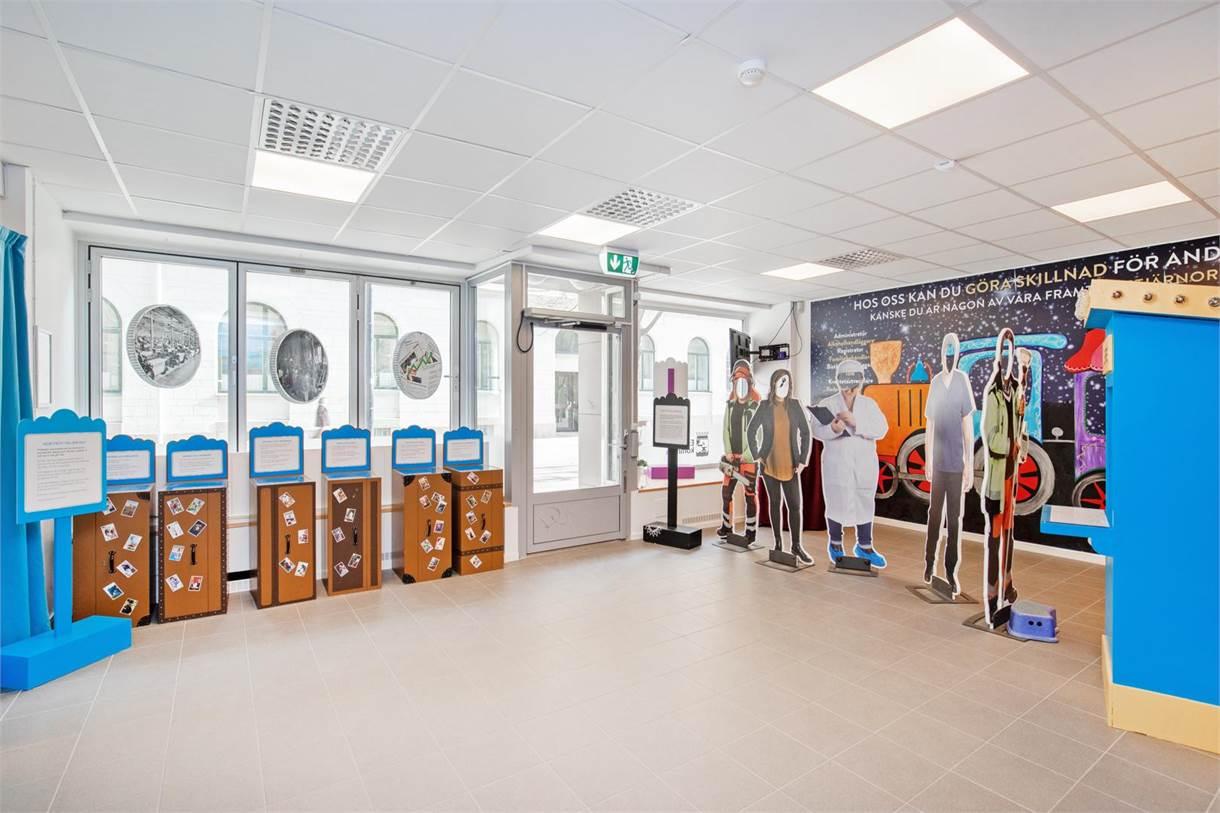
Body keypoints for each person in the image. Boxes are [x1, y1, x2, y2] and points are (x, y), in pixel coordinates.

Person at [812, 359, 890, 568]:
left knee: (864, 502)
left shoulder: (869, 404)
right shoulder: (828, 403)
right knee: (835, 502)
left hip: (864, 465)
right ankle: (835, 544)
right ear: (838, 381)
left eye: (853, 384)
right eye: (845, 383)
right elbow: (816, 429)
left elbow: (882, 429)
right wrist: (833, 429)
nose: (849, 390)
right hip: (836, 464)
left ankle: (865, 546)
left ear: (860, 381)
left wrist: (856, 422)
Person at [979, 331, 1029, 627]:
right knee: (996, 534)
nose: (1010, 363)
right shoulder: (994, 395)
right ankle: (991, 592)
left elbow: (1020, 427)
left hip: (1012, 475)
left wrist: (1021, 444)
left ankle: (1007, 583)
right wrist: (1011, 445)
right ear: (1000, 360)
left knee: (1009, 532)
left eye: (1013, 356)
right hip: (998, 479)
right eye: (1006, 356)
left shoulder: (1016, 393)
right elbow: (990, 436)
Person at [923, 333, 976, 596]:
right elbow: (930, 424)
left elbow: (968, 427)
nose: (948, 356)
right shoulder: (935, 383)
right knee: (935, 516)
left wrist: (969, 464)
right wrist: (927, 459)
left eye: (952, 351)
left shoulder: (961, 381)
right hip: (938, 463)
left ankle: (950, 571)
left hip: (956, 464)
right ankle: (928, 563)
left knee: (954, 520)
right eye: (946, 350)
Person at [747, 369, 812, 562]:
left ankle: (796, 546)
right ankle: (777, 543)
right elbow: (751, 430)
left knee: (795, 506)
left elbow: (806, 433)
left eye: (787, 382)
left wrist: (803, 460)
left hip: (791, 465)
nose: (784, 385)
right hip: (769, 464)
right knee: (775, 504)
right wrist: (757, 455)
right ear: (774, 383)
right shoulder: (764, 406)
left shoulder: (795, 405)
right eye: (780, 381)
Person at [717, 360, 761, 543]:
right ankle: (726, 526)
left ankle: (751, 531)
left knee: (750, 494)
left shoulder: (756, 405)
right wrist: (728, 452)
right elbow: (725, 429)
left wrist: (747, 455)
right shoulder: (730, 404)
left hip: (748, 460)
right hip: (731, 458)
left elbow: (759, 433)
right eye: (737, 380)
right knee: (726, 493)